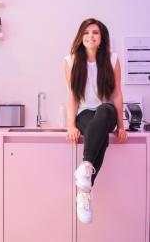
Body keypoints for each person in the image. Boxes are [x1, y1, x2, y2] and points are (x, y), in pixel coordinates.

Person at [64, 18, 127, 224]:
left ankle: (85, 168)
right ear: (81, 37)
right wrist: (71, 125)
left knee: (104, 110)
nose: (90, 36)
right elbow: (73, 95)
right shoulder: (71, 61)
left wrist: (121, 125)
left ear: (102, 38)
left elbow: (116, 93)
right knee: (100, 136)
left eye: (95, 32)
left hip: (106, 110)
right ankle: (84, 191)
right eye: (86, 32)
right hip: (84, 113)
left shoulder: (112, 58)